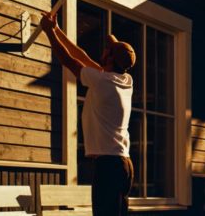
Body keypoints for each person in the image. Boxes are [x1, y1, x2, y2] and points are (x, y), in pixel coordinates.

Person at [39, 11, 135, 216]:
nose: (104, 49)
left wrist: (48, 32)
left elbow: (68, 59)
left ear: (109, 58)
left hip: (109, 165)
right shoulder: (125, 80)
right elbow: (82, 55)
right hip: (124, 164)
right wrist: (56, 29)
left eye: (107, 49)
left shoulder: (102, 81)